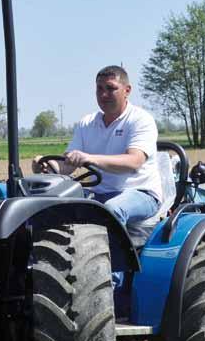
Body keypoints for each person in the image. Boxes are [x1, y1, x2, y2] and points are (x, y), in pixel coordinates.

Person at [32, 65, 162, 319]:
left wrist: (90, 158)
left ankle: (109, 288)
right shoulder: (87, 123)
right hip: (98, 193)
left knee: (111, 211)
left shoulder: (140, 120)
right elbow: (69, 165)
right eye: (99, 89)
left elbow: (134, 161)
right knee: (57, 209)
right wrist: (48, 166)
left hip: (140, 192)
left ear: (127, 90)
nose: (104, 94)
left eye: (111, 89)